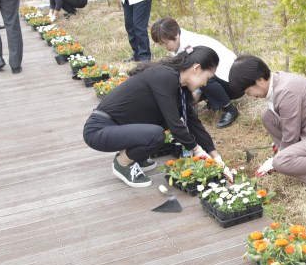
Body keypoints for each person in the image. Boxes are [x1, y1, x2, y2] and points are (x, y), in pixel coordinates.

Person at [82, 46, 226, 187]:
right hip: (98, 130)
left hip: (117, 127)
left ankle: (133, 155)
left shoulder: (180, 88)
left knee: (160, 123)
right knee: (156, 134)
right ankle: (123, 162)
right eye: (208, 78)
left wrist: (216, 157)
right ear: (197, 69)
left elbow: (194, 124)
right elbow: (175, 125)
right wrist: (198, 151)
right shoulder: (165, 77)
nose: (206, 83)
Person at [226, 55, 306, 191]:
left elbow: (290, 136)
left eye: (247, 91)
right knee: (267, 117)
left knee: (281, 161)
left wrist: (278, 161)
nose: (249, 95)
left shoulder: (286, 92)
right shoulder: (277, 82)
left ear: (260, 80)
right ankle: (296, 160)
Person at [150, 17, 239, 128]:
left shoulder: (190, 45)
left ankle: (229, 109)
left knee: (199, 76)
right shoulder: (179, 43)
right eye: (161, 44)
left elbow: (198, 73)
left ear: (176, 36)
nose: (164, 47)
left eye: (166, 43)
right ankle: (212, 101)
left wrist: (195, 95)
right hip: (220, 76)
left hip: (233, 82)